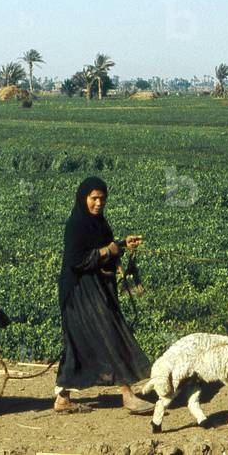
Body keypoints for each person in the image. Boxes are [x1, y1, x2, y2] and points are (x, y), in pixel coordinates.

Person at [54, 176, 153, 414]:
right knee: (112, 334)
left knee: (77, 344)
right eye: (94, 198)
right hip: (78, 293)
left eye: (102, 198)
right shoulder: (76, 224)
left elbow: (104, 248)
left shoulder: (98, 222)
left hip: (95, 288)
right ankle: (127, 394)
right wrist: (107, 250)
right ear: (83, 198)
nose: (98, 203)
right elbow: (78, 260)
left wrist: (121, 244)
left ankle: (62, 398)